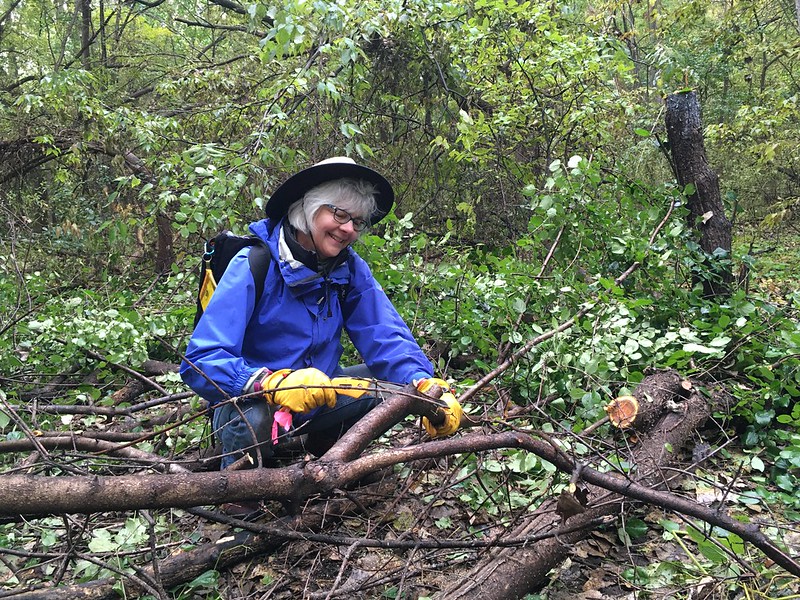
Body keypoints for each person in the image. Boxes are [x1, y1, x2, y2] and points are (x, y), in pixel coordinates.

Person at [180, 156, 463, 477]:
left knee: (395, 386)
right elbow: (200, 360)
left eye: (357, 222)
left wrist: (424, 384)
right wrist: (270, 383)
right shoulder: (254, 262)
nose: (348, 230)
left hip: (319, 396)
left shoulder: (349, 269)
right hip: (251, 402)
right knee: (254, 410)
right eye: (340, 214)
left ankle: (330, 458)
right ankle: (241, 493)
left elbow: (385, 335)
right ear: (308, 208)